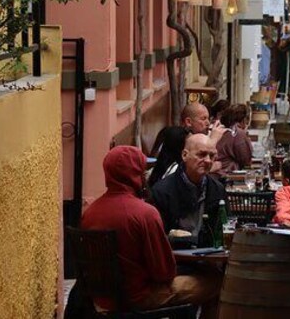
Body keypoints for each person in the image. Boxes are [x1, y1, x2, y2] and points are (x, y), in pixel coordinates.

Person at [82, 146, 221, 317]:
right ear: (135, 175)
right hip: (140, 297)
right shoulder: (144, 213)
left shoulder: (90, 212)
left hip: (102, 299)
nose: (145, 176)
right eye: (142, 171)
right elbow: (164, 272)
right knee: (216, 280)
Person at [151, 133, 227, 248]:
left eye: (211, 156)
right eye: (201, 155)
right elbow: (157, 237)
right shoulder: (162, 191)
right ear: (184, 155)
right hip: (176, 259)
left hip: (210, 258)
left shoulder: (217, 190)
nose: (208, 161)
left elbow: (225, 228)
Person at [213, 104, 253, 175]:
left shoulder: (219, 130)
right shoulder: (238, 133)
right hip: (225, 176)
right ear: (244, 120)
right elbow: (246, 160)